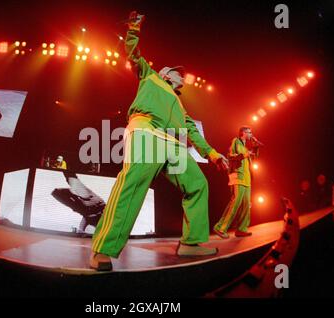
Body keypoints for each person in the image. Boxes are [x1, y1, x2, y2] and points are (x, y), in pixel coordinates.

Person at [89, 11, 229, 271]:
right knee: (133, 185)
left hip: (173, 145)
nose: (182, 77)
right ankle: (102, 249)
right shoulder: (150, 76)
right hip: (146, 132)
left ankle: (191, 243)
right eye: (178, 73)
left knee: (197, 183)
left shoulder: (180, 104)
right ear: (166, 74)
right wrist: (133, 29)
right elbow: (132, 53)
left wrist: (212, 154)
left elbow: (193, 132)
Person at [213, 126, 260, 239]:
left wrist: (256, 147)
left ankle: (241, 229)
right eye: (249, 132)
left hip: (247, 179)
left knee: (246, 204)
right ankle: (220, 227)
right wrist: (245, 154)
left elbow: (254, 157)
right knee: (235, 202)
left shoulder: (246, 147)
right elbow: (231, 156)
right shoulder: (236, 141)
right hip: (238, 176)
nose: (251, 134)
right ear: (243, 133)